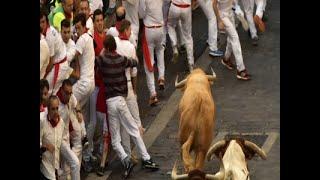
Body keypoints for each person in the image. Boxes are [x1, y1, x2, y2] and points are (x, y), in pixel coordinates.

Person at [96, 35, 159, 178]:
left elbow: (97, 61)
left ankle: (126, 160)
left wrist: (103, 52)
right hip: (122, 101)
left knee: (115, 140)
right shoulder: (121, 59)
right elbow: (135, 62)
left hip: (110, 103)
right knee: (133, 130)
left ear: (106, 48)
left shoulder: (103, 60)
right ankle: (147, 158)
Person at [72, 12, 96, 170]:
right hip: (90, 83)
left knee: (69, 101)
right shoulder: (89, 38)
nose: (77, 30)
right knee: (79, 112)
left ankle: (83, 136)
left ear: (83, 26)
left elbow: (71, 56)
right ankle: (83, 138)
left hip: (84, 84)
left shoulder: (81, 39)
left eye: (78, 27)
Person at [212, 0, 251, 80]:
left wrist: (237, 9)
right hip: (223, 16)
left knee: (231, 38)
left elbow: (234, 2)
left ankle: (226, 59)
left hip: (230, 13)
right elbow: (214, 4)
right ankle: (241, 70)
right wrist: (219, 21)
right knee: (235, 38)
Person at [139, 0, 166, 106]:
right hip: (160, 27)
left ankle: (153, 93)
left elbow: (141, 14)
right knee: (160, 51)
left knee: (148, 61)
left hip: (149, 29)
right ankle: (161, 77)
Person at [40, 9, 73, 94]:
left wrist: (43, 76)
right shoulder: (45, 32)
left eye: (43, 22)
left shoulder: (49, 35)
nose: (41, 25)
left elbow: (50, 63)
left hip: (59, 65)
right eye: (40, 22)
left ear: (47, 21)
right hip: (57, 63)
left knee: (46, 90)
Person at [56, 80, 81, 180]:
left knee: (65, 170)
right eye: (67, 93)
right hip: (60, 140)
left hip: (66, 136)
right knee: (75, 163)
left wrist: (78, 111)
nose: (69, 96)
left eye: (70, 93)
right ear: (61, 90)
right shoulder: (56, 105)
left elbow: (76, 103)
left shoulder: (70, 97)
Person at [40, 95, 65, 180]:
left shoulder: (61, 123)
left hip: (56, 166)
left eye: (57, 108)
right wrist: (46, 146)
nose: (55, 111)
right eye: (53, 109)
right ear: (48, 109)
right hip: (45, 167)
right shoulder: (42, 121)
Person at [167, 0, 195, 72]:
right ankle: (191, 64)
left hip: (174, 6)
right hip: (186, 7)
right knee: (188, 37)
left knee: (170, 26)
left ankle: (174, 46)